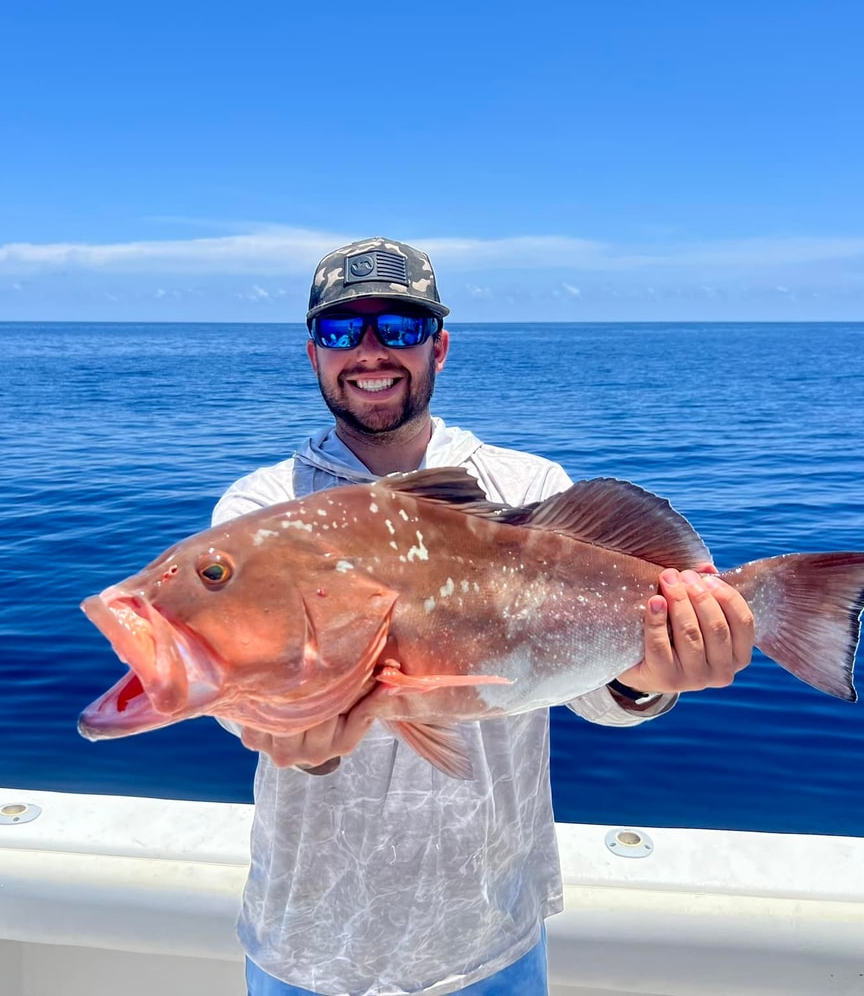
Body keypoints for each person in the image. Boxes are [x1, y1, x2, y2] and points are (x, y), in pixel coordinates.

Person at [212, 237, 755, 996]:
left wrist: (648, 681)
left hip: (491, 939)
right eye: (342, 332)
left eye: (397, 329)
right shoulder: (261, 511)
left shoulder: (529, 485)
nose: (370, 352)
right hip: (307, 942)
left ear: (439, 346)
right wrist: (295, 737)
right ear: (312, 354)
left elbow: (593, 693)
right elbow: (242, 704)